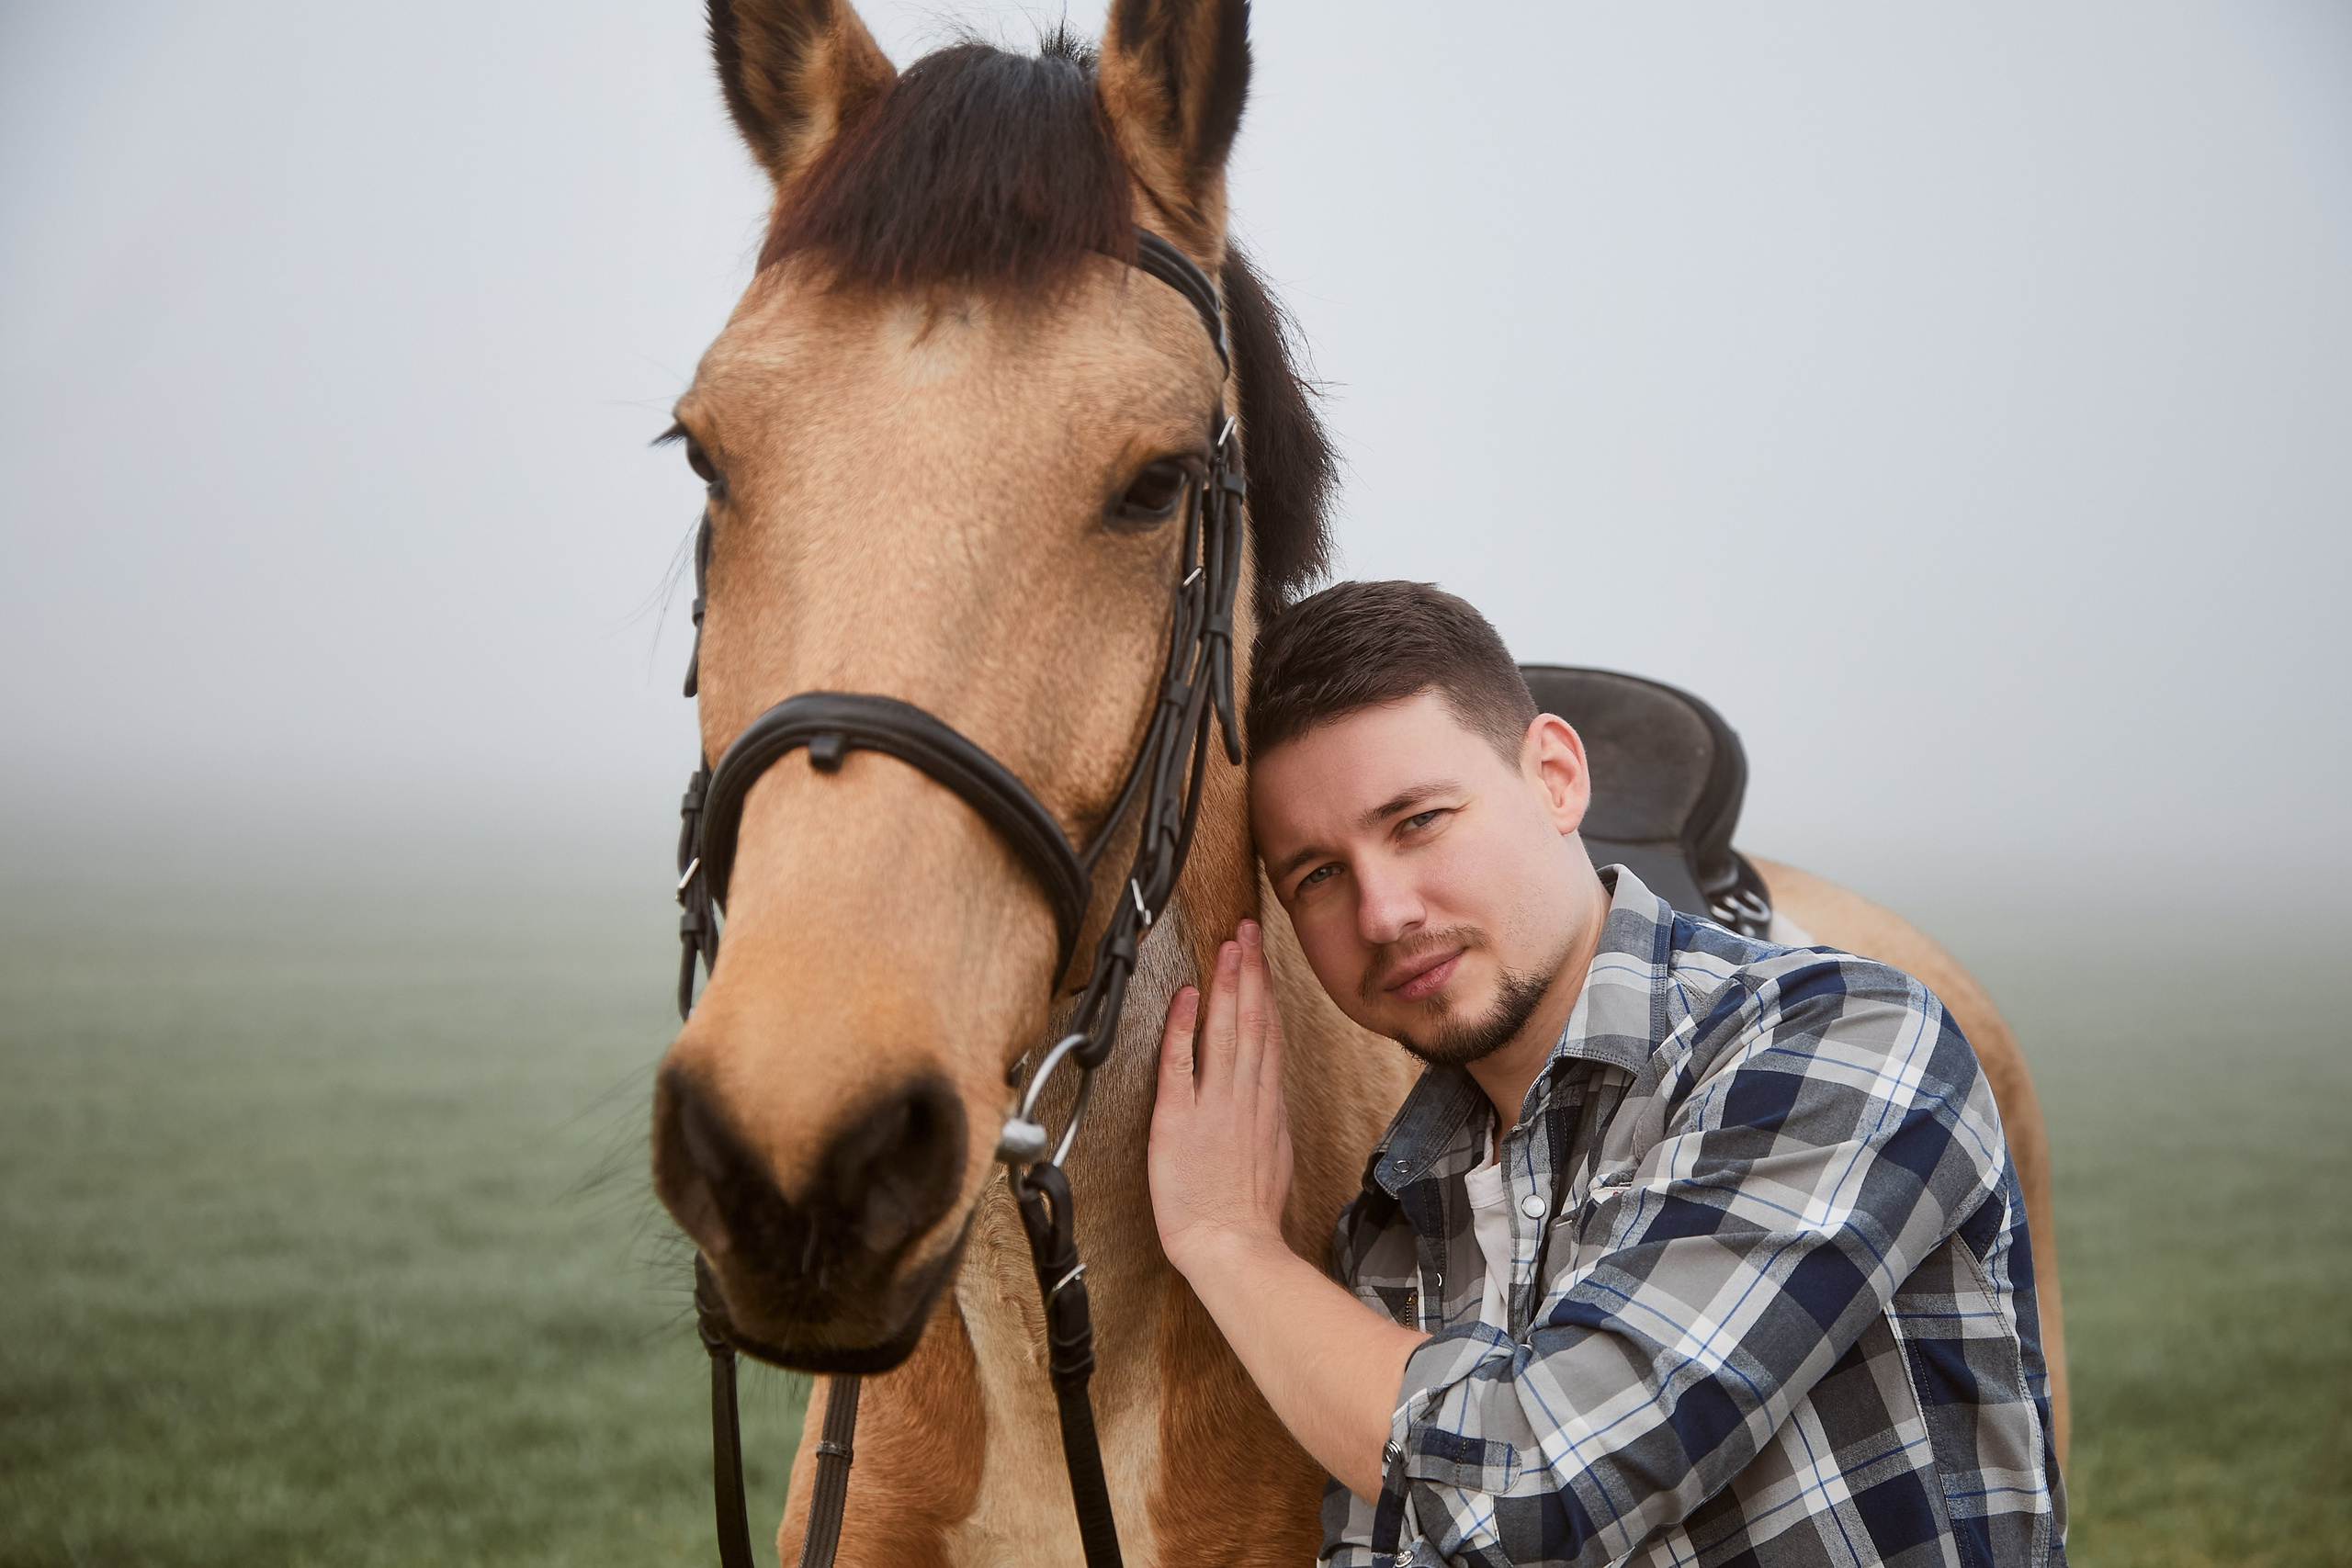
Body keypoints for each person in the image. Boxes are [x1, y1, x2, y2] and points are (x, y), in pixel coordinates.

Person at [1148, 581, 2065, 1567]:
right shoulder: (1392, 1229)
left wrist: (1226, 1239)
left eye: (1416, 821)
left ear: (1554, 775)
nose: (1382, 913)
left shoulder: (1839, 1037)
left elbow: (1540, 1487)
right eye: (1317, 876)